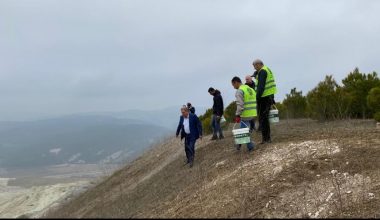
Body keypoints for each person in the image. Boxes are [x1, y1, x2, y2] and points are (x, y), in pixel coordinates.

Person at [252, 59, 277, 144]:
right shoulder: (267, 69)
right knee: (264, 118)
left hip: (264, 98)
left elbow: (261, 87)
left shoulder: (262, 71)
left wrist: (257, 98)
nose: (254, 68)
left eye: (254, 66)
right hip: (268, 96)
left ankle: (266, 139)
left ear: (258, 64)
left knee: (263, 119)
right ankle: (266, 138)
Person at [231, 76, 257, 152]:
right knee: (244, 130)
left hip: (246, 114)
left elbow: (240, 104)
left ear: (236, 82)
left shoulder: (240, 91)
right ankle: (239, 145)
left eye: (233, 85)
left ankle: (250, 146)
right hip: (253, 113)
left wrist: (237, 114)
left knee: (244, 131)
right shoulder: (250, 89)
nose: (233, 87)